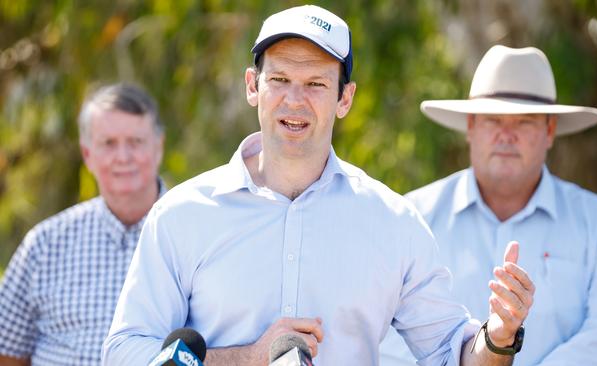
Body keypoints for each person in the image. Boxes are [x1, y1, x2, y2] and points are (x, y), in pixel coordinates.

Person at [102, 7, 534, 365]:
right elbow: (124, 353)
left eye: (315, 84)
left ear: (345, 99)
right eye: (280, 80)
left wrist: (497, 338)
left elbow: (450, 354)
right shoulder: (183, 215)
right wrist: (248, 358)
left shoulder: (392, 222)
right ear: (253, 86)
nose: (294, 100)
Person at [380, 45, 597, 365]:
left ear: (549, 132)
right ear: (471, 127)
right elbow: (385, 337)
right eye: (493, 120)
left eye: (524, 121)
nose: (506, 135)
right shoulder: (412, 219)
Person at [0, 83, 166, 366]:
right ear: (88, 154)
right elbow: (8, 352)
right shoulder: (43, 246)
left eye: (135, 142)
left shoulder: (199, 234)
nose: (123, 157)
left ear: (158, 147)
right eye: (108, 144)